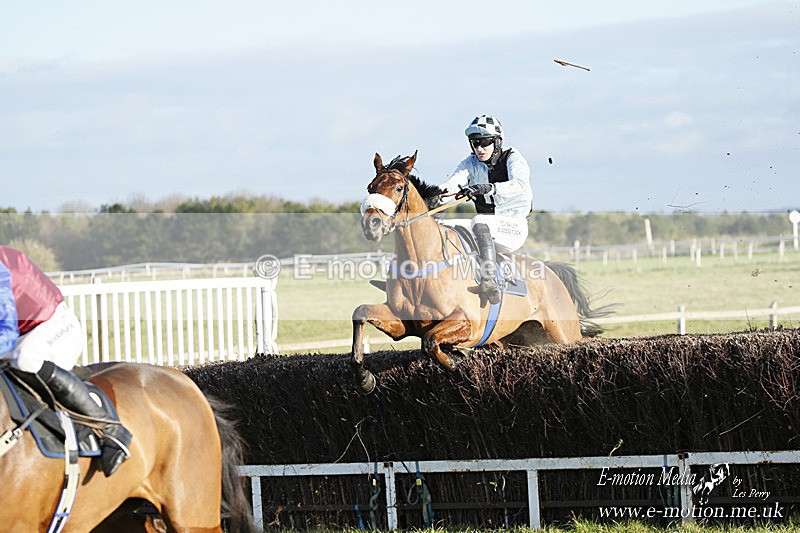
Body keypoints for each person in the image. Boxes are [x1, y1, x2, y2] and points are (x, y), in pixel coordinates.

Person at [0, 246, 132, 477]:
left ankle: (109, 427)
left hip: (54, 328)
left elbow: (6, 332)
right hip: (20, 335)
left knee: (25, 359)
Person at [437, 115, 533, 304]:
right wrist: (434, 196)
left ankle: (489, 281)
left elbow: (520, 185)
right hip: (487, 229)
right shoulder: (470, 162)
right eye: (475, 143)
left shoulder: (513, 158)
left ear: (497, 142)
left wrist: (489, 188)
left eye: (485, 142)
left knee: (480, 221)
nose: (479, 148)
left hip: (514, 228)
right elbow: (452, 183)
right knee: (442, 226)